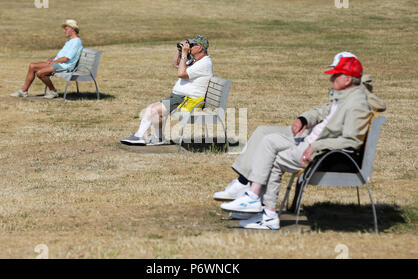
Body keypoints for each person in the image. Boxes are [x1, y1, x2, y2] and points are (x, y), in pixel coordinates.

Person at [218, 57, 376, 230]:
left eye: (335, 76)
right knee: (268, 143)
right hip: (311, 142)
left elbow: (351, 140)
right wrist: (304, 119)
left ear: (347, 79)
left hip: (320, 153)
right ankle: (263, 211)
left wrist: (315, 147)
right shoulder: (346, 97)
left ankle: (254, 200)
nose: (331, 79)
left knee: (270, 146)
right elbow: (324, 112)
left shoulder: (356, 104)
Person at [120, 35, 213, 146]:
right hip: (180, 98)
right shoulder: (195, 60)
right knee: (152, 108)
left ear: (200, 47)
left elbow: (181, 73)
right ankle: (158, 138)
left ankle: (139, 136)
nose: (190, 47)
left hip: (188, 101)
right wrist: (179, 51)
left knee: (153, 109)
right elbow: (176, 64)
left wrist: (184, 54)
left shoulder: (204, 63)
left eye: (192, 45)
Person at [11, 19, 83, 99]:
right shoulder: (70, 41)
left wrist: (54, 62)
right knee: (32, 66)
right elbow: (62, 56)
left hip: (64, 66)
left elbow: (66, 58)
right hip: (59, 63)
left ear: (72, 29)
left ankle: (53, 91)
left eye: (66, 29)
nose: (64, 31)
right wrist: (52, 59)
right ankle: (24, 91)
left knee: (40, 73)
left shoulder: (76, 42)